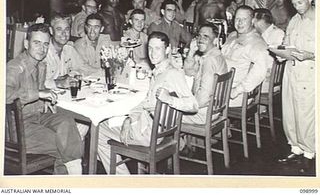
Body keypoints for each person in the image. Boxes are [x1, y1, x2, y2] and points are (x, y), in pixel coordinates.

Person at [97, 31, 198, 174]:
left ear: (167, 50)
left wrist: (170, 99)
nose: (152, 53)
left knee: (99, 129)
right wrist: (129, 118)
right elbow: (146, 102)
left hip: (148, 134)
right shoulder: (158, 71)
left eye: (158, 48)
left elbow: (193, 105)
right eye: (150, 48)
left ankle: (123, 182)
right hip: (154, 129)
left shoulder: (173, 73)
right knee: (110, 122)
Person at [6, 23, 83, 175]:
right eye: (37, 43)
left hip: (36, 117)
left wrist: (44, 99)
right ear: (26, 44)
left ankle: (69, 177)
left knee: (67, 122)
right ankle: (72, 181)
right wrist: (38, 93)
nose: (42, 48)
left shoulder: (41, 65)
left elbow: (38, 92)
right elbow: (4, 93)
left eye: (45, 44)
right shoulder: (15, 67)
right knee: (66, 145)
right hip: (16, 128)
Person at [276, 0, 315, 174]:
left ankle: (309, 153)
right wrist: (281, 53)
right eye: (294, 4)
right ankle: (295, 148)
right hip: (290, 72)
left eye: (300, 2)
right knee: (290, 112)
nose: (297, 7)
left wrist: (312, 55)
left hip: (309, 73)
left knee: (305, 114)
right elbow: (287, 41)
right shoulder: (294, 20)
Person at [221, 5, 269, 107]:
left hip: (235, 94)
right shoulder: (233, 35)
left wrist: (236, 90)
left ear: (252, 21)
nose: (239, 22)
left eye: (244, 19)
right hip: (220, 85)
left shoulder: (257, 43)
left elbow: (259, 73)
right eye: (237, 19)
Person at [183, 23, 227, 124]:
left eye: (206, 37)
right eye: (199, 36)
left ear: (215, 41)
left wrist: (185, 105)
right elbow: (188, 72)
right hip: (214, 109)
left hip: (204, 113)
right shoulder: (215, 55)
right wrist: (191, 52)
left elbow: (203, 97)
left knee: (163, 113)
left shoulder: (209, 60)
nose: (200, 39)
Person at [44, 13, 97, 89]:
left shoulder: (69, 50)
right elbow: (36, 83)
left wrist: (74, 74)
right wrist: (59, 83)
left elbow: (85, 68)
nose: (64, 33)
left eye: (67, 29)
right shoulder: (43, 52)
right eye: (59, 29)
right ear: (51, 31)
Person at [253, 8, 285, 93]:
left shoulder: (278, 33)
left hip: (270, 79)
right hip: (262, 73)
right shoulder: (262, 34)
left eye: (253, 20)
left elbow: (271, 59)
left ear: (260, 21)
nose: (252, 24)